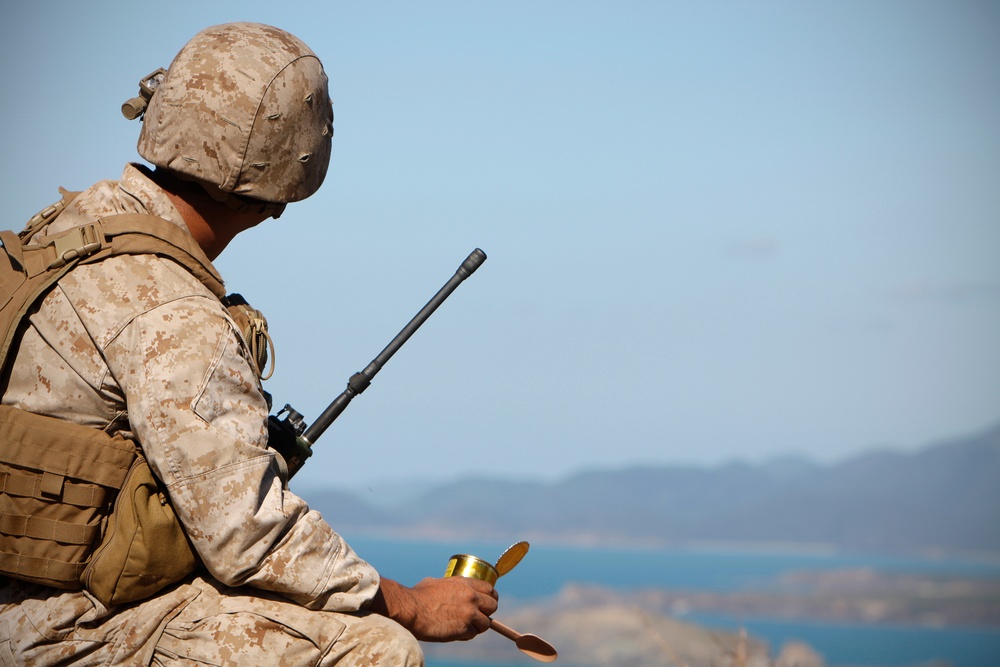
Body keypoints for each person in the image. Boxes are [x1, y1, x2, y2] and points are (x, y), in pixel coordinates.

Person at [0, 22, 497, 666]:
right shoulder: (174, 311)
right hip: (58, 627)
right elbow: (248, 533)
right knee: (377, 650)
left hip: (28, 590)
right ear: (288, 177)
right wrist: (410, 604)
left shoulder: (64, 229)